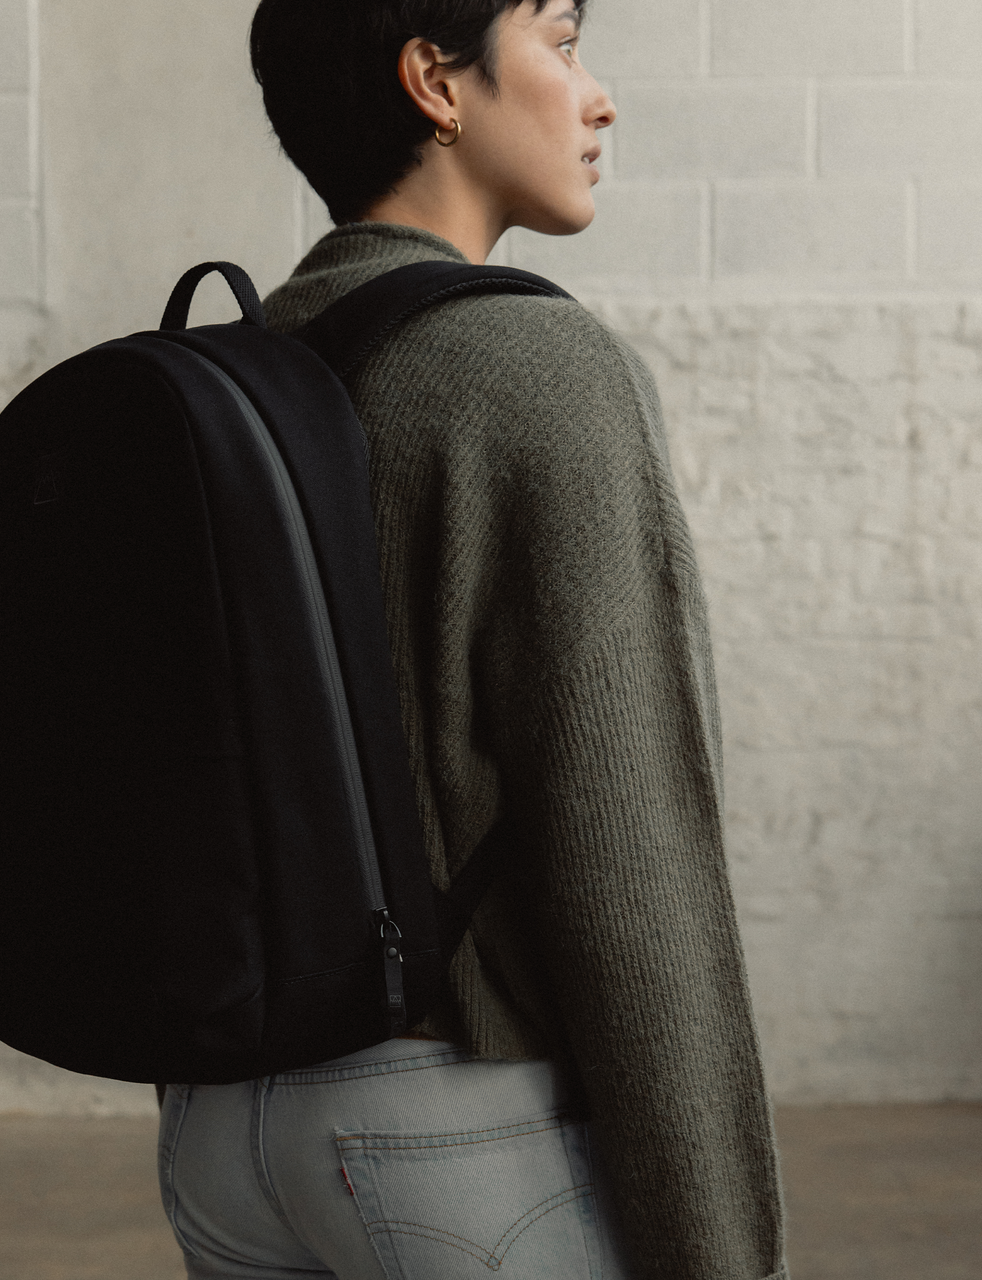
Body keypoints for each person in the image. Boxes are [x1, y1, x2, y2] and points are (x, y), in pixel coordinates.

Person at [155, 2, 789, 1277]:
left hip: (220, 1129)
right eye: (559, 41)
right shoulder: (533, 363)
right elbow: (629, 851)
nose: (595, 94)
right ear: (433, 81)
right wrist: (723, 1251)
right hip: (451, 1137)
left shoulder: (230, 377)